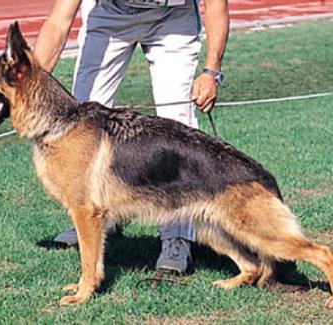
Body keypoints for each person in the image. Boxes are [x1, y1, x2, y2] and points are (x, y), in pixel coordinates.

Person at [33, 0, 229, 274]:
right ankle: (96, 218)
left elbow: (216, 5)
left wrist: (211, 71)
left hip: (172, 16)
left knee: (177, 128)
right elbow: (59, 20)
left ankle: (177, 236)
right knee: (79, 121)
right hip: (111, 11)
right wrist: (27, 85)